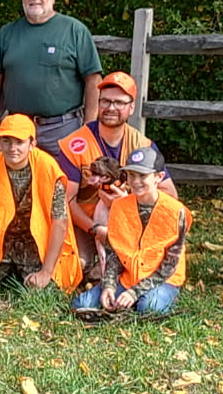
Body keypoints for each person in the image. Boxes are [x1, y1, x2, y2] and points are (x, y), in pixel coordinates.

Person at [57, 72, 177, 277]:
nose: (111, 108)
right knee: (76, 266)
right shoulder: (74, 144)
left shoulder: (144, 146)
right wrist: (96, 230)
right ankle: (95, 265)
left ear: (131, 107)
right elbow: (66, 200)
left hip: (130, 223)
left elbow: (170, 196)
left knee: (138, 267)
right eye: (105, 101)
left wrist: (131, 203)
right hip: (86, 224)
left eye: (119, 103)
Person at [0, 0, 103, 168]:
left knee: (63, 188)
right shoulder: (7, 33)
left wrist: (89, 128)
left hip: (63, 129)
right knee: (19, 190)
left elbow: (93, 81)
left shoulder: (74, 30)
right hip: (17, 131)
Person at [0, 114, 82, 295]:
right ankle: (7, 273)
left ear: (32, 144)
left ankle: (17, 276)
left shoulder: (49, 169)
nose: (12, 148)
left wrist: (46, 272)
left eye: (19, 142)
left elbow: (60, 224)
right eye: (6, 141)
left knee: (48, 293)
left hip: (37, 247)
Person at [72, 147, 189, 316]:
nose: (136, 181)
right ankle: (127, 302)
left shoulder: (176, 212)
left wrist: (134, 292)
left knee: (149, 308)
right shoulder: (120, 206)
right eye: (132, 175)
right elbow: (113, 253)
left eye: (143, 176)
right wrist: (109, 286)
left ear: (159, 177)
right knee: (82, 304)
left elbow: (170, 265)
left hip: (162, 279)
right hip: (129, 277)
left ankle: (157, 298)